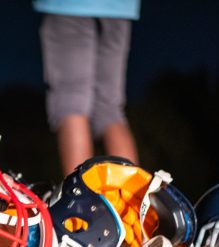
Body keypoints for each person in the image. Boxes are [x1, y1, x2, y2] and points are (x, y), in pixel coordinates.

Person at [33, 0, 140, 175]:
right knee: (110, 109)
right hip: (121, 8)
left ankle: (79, 199)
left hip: (71, 5)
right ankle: (132, 199)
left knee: (71, 101)